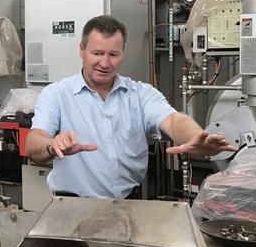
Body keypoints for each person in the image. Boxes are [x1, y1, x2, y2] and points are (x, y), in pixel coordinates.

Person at [25, 15, 237, 199]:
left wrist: (196, 136)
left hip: (129, 201)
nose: (105, 63)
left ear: (122, 53)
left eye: (113, 55)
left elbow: (173, 120)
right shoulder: (57, 94)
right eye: (97, 53)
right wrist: (52, 145)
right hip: (71, 206)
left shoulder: (140, 94)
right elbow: (34, 143)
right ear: (82, 50)